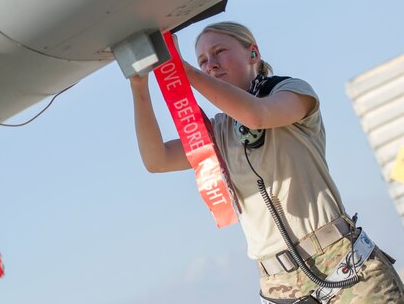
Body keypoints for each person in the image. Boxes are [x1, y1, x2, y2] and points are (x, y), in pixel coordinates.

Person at [129, 21, 404, 303]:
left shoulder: (290, 91)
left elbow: (256, 116)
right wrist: (139, 88)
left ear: (253, 54)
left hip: (344, 266)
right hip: (281, 288)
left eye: (219, 51)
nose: (210, 64)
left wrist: (184, 70)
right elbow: (157, 159)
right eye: (202, 61)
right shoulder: (219, 132)